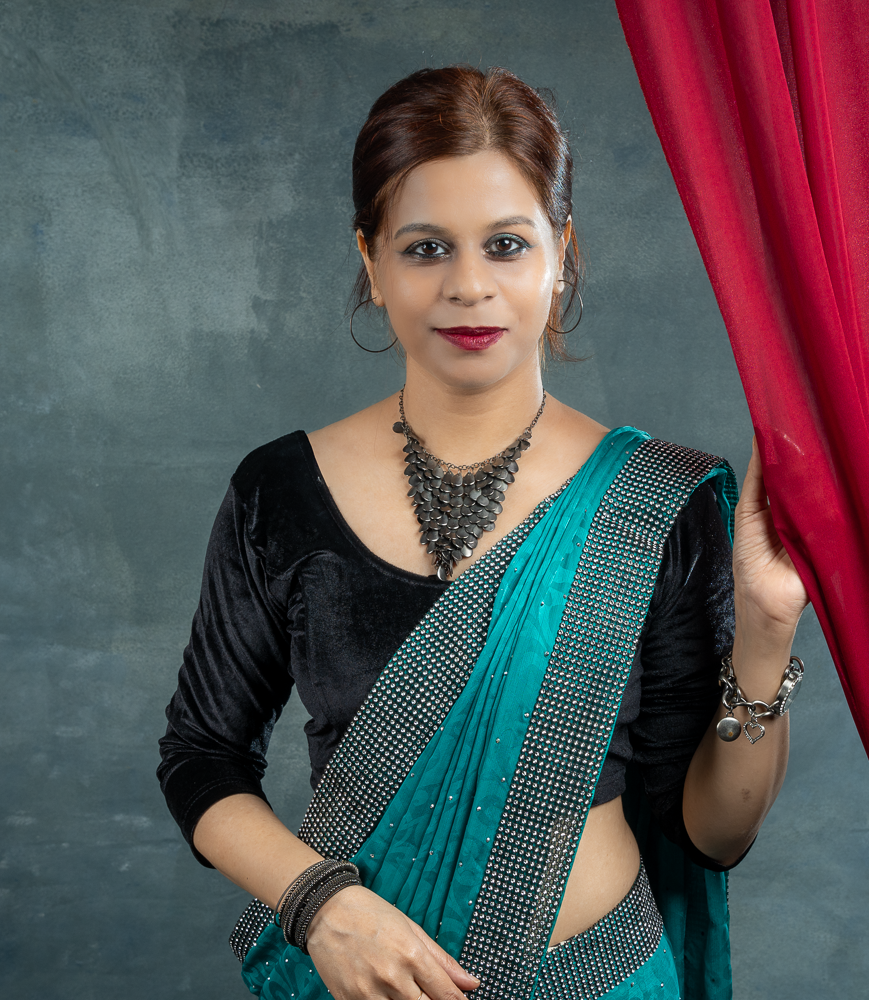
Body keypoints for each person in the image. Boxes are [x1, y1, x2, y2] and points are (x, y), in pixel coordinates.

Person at [157, 65, 808, 1000]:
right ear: (372, 263)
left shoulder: (654, 503)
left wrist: (767, 629)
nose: (469, 286)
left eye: (506, 244)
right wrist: (318, 902)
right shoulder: (279, 491)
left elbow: (712, 832)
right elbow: (202, 757)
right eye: (425, 248)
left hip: (598, 980)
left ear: (561, 253)